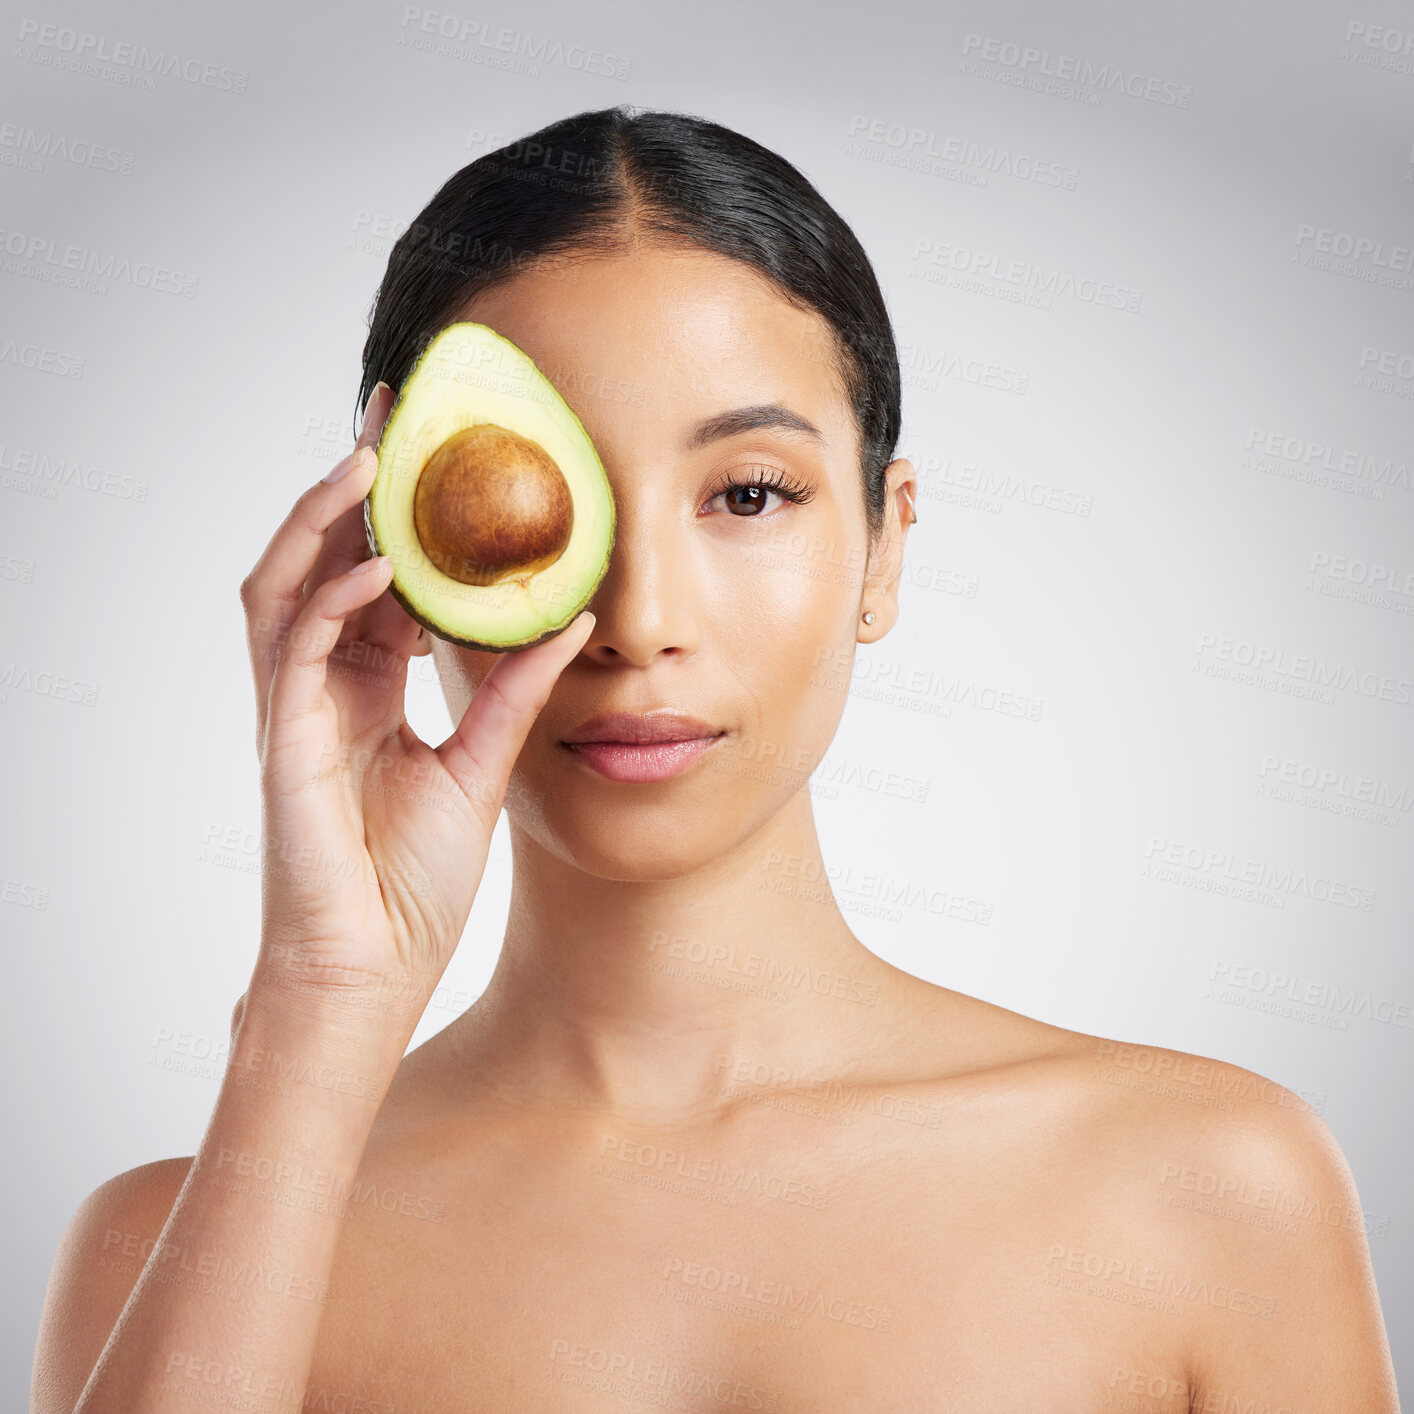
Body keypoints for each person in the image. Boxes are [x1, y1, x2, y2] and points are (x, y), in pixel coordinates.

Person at [32, 105, 1398, 1413]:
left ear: (885, 544)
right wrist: (318, 1005)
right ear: (398, 548)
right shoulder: (176, 1246)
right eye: (535, 500)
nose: (638, 622)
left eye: (747, 494)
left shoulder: (1210, 1186)